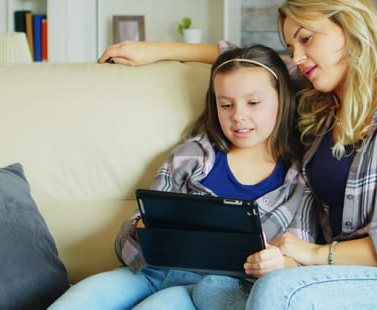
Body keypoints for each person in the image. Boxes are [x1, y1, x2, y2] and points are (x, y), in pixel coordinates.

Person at [98, 0, 377, 310]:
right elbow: (250, 64)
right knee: (211, 290)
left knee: (281, 295)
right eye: (291, 45)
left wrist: (314, 255)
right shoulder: (319, 100)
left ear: (350, 31)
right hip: (334, 276)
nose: (297, 56)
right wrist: (155, 50)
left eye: (306, 38)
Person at [49, 44, 318, 310]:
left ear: (282, 101)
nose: (238, 116)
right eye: (225, 104)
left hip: (206, 289)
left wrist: (279, 263)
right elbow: (130, 239)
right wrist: (141, 230)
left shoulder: (298, 181)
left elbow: (298, 259)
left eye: (254, 102)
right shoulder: (191, 155)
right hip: (149, 271)